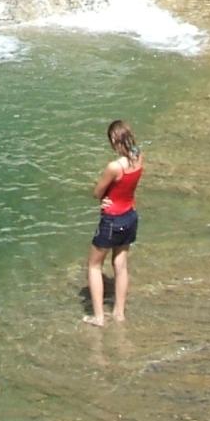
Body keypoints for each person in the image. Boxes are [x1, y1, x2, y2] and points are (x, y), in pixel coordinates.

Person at [83, 119, 142, 327]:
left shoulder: (114, 167)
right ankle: (119, 313)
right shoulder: (139, 157)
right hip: (130, 216)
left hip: (112, 219)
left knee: (93, 265)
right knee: (121, 264)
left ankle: (99, 317)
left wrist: (103, 197)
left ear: (114, 140)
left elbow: (97, 192)